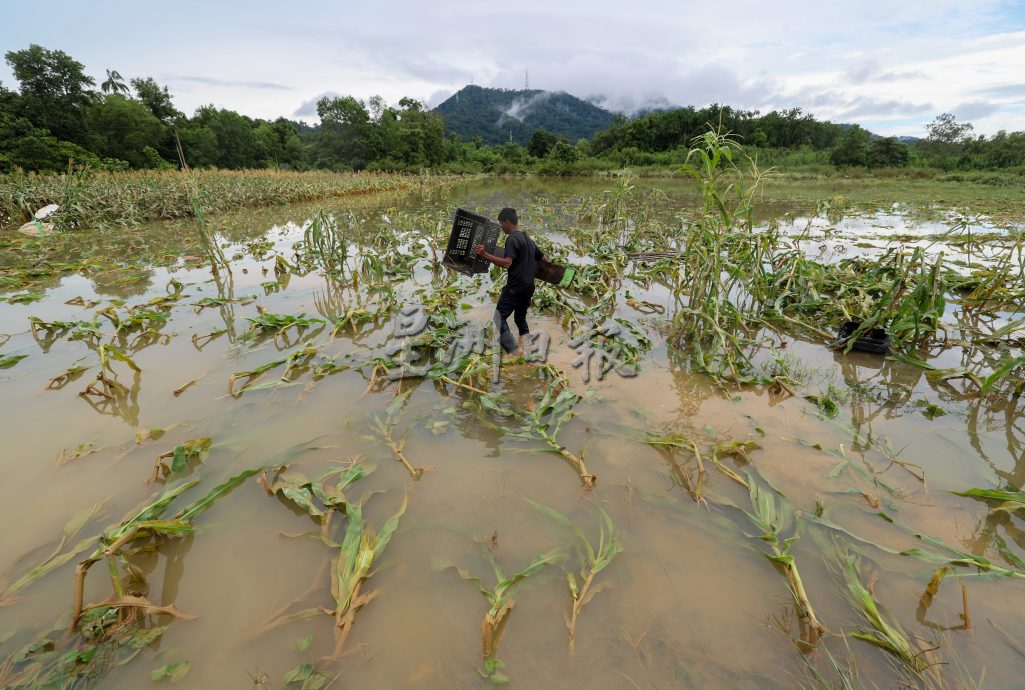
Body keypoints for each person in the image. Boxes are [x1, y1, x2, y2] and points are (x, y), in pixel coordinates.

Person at [475, 207, 543, 354]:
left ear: (507, 221)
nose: (501, 227)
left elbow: (507, 263)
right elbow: (543, 259)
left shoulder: (512, 239)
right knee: (520, 319)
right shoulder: (528, 240)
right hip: (529, 287)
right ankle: (529, 348)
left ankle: (513, 352)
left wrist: (484, 254)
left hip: (516, 286)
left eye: (501, 223)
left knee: (498, 318)